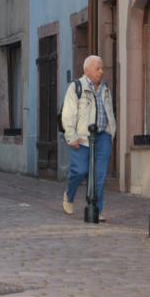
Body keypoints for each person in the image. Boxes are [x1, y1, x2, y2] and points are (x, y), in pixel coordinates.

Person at [61, 55, 117, 222]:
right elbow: (68, 114)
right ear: (87, 70)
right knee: (80, 170)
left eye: (102, 68)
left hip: (103, 136)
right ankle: (69, 195)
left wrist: (110, 132)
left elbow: (109, 111)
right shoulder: (76, 87)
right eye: (98, 68)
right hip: (83, 137)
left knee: (99, 175)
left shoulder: (105, 88)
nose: (101, 71)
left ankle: (95, 209)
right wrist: (71, 136)